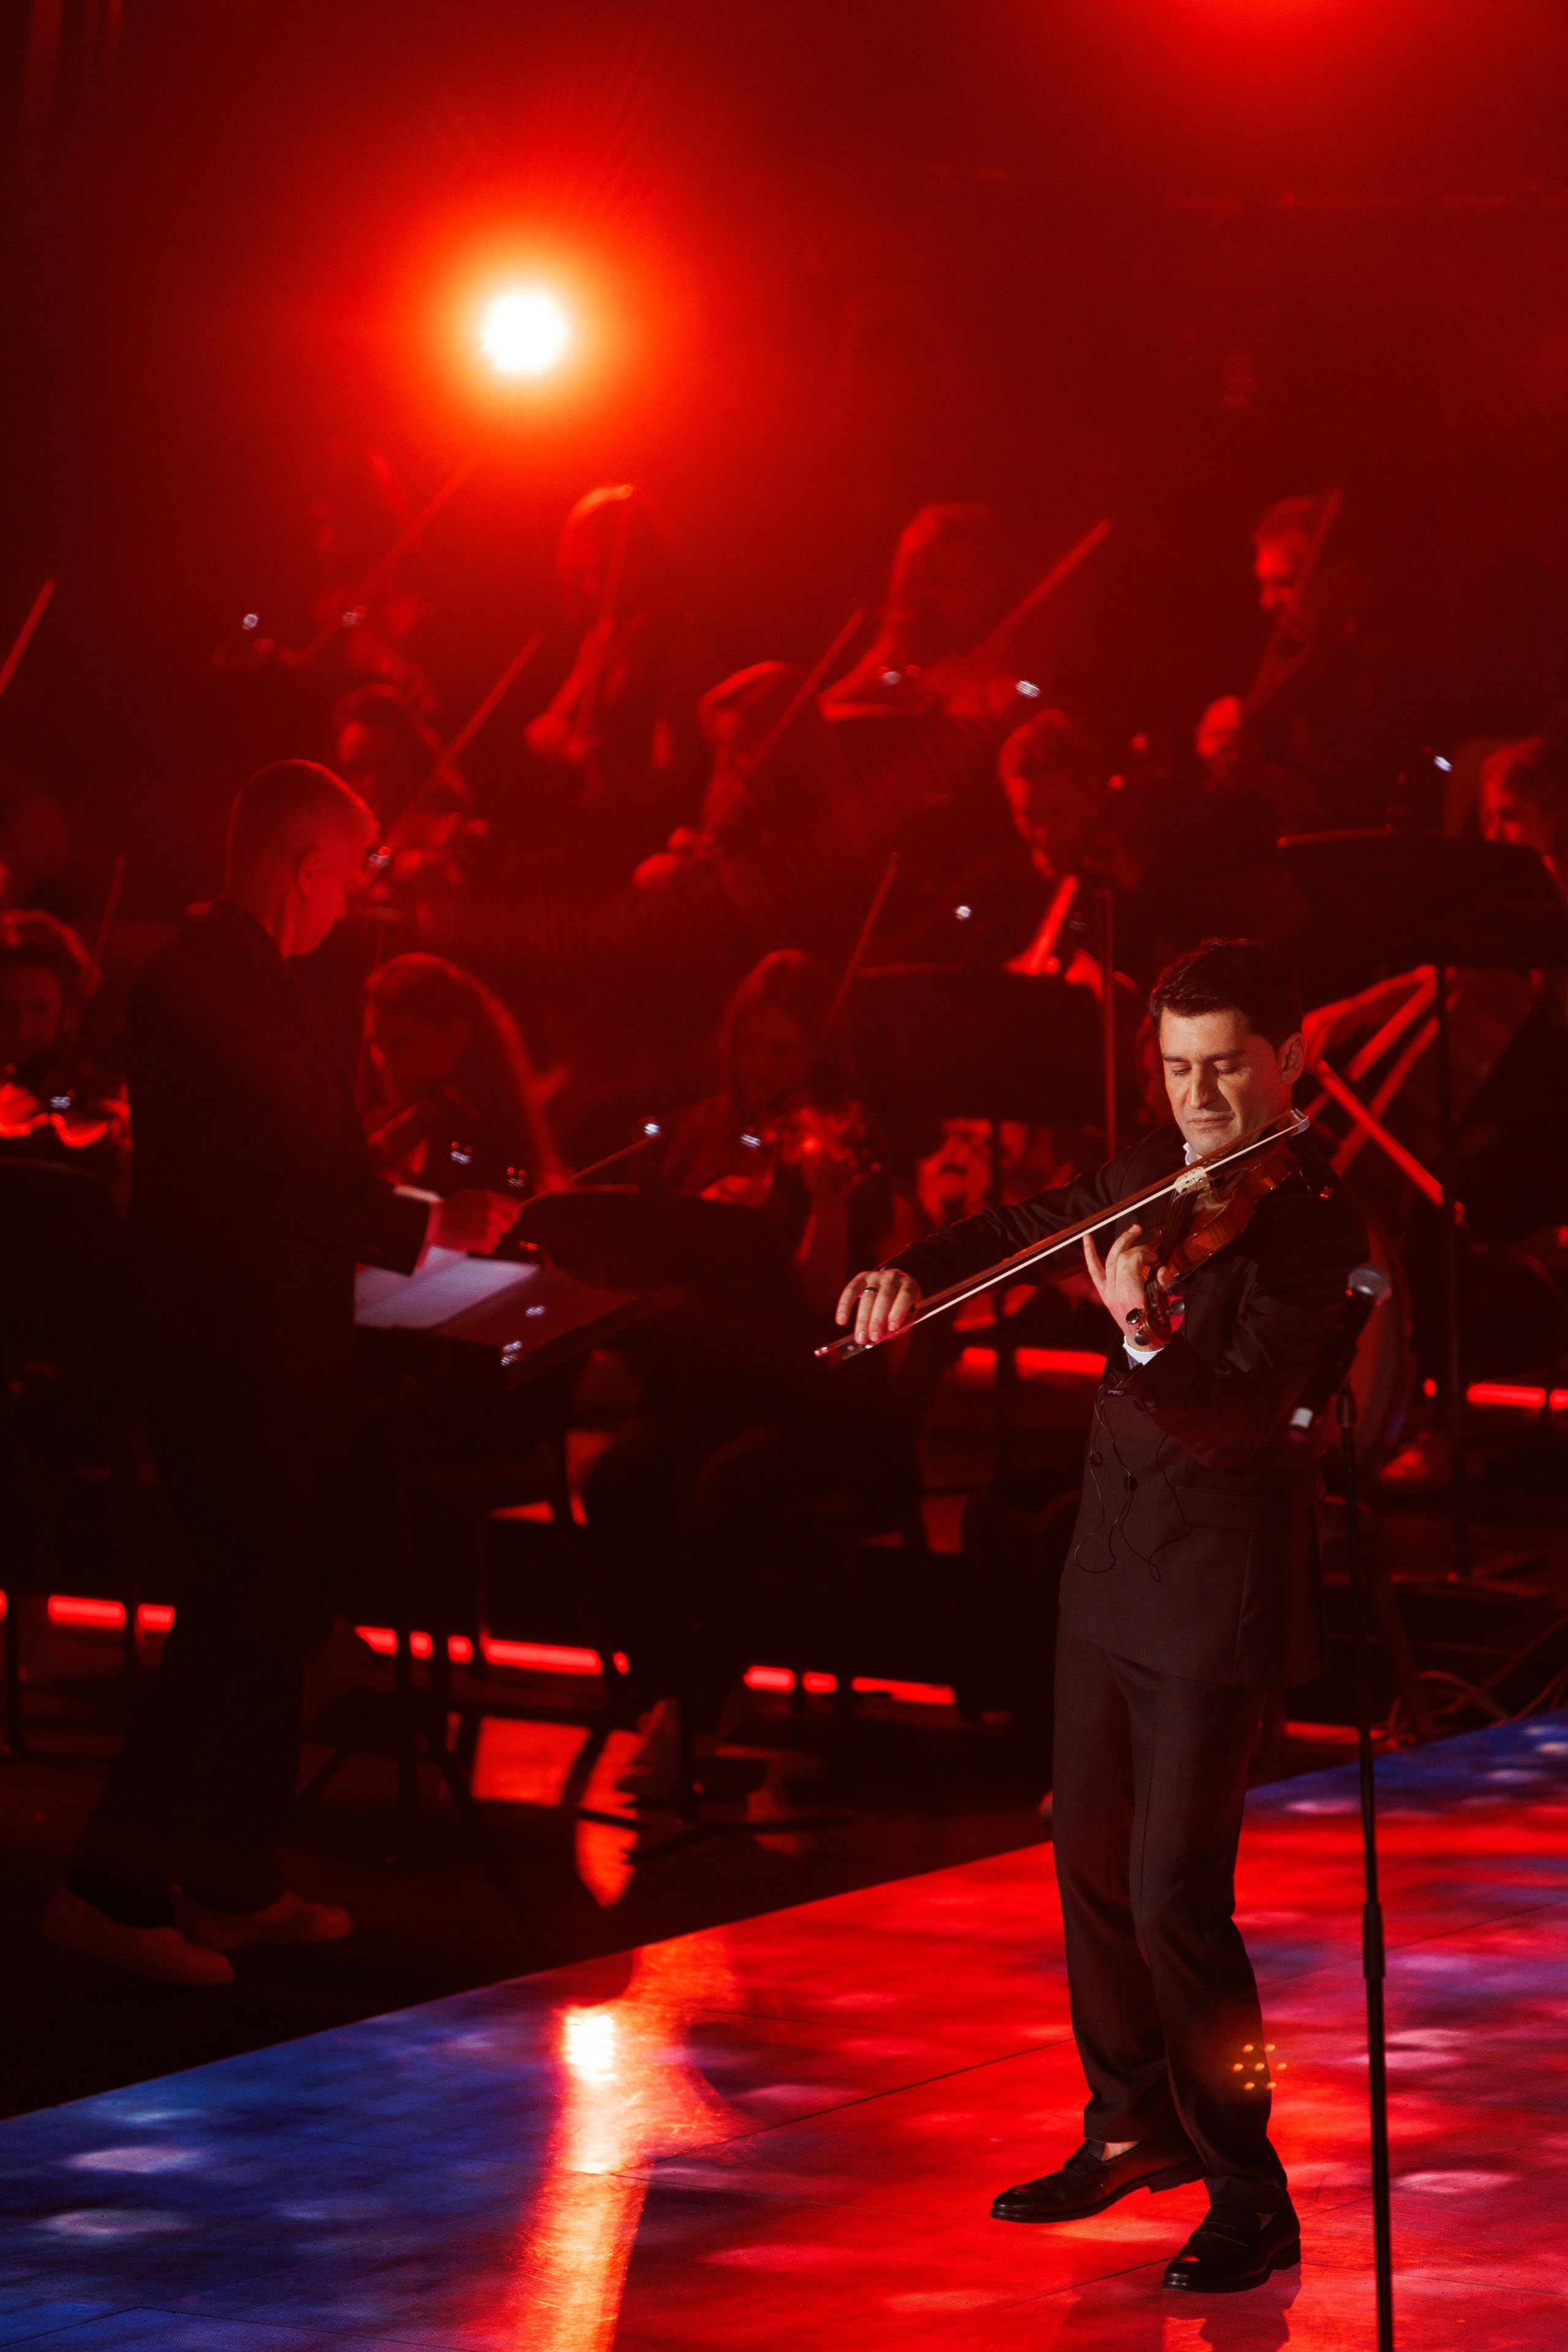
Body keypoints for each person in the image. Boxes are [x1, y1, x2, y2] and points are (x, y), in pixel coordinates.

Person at [838, 938, 1364, 2294]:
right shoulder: (1150, 1171)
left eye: (1225, 1068)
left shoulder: (1315, 1226)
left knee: (1176, 1899)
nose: (1200, 1101)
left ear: (1290, 1058)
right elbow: (1020, 1231)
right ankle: (1131, 2122)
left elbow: (1244, 1420)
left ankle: (1248, 2189)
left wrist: (1141, 1335)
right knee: (1088, 1868)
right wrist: (908, 1271)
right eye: (1178, 1070)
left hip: (1214, 1594)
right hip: (1109, 1574)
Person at [43, 762, 518, 1987]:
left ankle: (229, 1874)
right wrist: (428, 1223)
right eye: (347, 876)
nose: (348, 902)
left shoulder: (219, 978)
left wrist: (407, 1219)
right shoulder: (232, 985)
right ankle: (108, 1886)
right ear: (303, 866)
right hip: (232, 1352)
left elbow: (289, 1167)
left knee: (258, 1621)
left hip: (249, 1347)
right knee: (234, 1623)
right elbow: (285, 1172)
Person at [581, 951, 920, 1786]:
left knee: (732, 1484)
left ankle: (695, 1709)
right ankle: (670, 1689)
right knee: (620, 1477)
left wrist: (822, 1203)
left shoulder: (846, 1145)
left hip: (820, 1404)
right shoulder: (708, 1130)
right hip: (716, 1387)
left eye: (784, 1052)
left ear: (817, 1055)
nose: (761, 1071)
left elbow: (831, 1310)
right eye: (748, 1047)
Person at [358, 951, 562, 1197]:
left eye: (402, 1044)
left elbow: (514, 1183)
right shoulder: (397, 1120)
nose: (384, 1063)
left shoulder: (484, 1136)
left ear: (457, 1037)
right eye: (376, 1045)